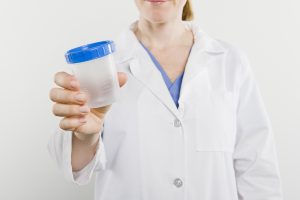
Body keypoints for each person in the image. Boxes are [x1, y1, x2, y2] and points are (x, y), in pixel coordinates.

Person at [48, 0, 283, 199]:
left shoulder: (230, 62)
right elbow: (76, 168)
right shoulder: (100, 65)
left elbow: (257, 169)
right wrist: (85, 135)